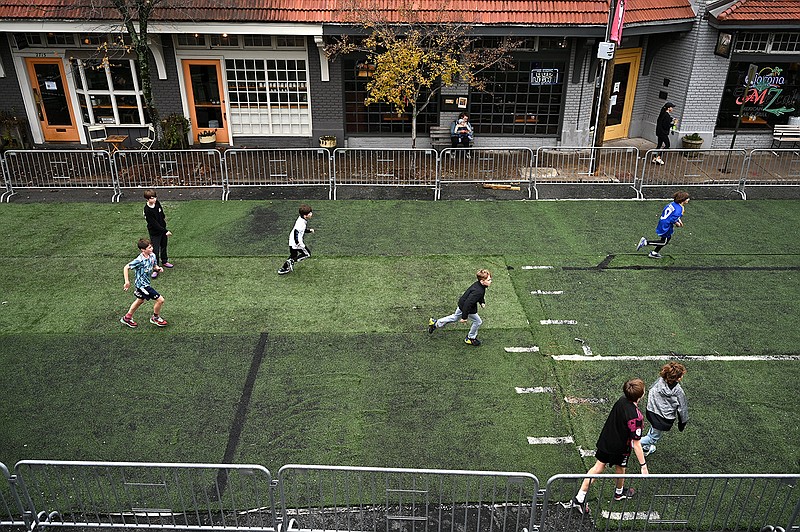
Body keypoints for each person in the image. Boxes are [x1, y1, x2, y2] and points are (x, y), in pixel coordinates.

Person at [570, 378, 649, 515]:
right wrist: (643, 466)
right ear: (641, 395)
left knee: (598, 467)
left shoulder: (621, 401)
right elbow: (636, 443)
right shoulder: (636, 417)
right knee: (620, 468)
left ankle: (579, 497)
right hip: (620, 448)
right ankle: (619, 493)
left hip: (607, 441)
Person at [428, 269, 492, 346]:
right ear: (482, 281)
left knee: (455, 317)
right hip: (466, 308)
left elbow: (480, 296)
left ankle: (435, 323)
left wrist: (482, 302)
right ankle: (470, 338)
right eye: (488, 280)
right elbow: (468, 304)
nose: (490, 281)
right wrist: (464, 317)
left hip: (462, 304)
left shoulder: (479, 285)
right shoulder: (478, 291)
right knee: (478, 321)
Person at [640, 362, 689, 457]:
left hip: (651, 411)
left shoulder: (659, 381)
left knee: (653, 429)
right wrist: (682, 423)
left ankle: (645, 449)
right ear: (677, 378)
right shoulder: (679, 391)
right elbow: (682, 409)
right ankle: (631, 443)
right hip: (663, 418)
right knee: (653, 438)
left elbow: (651, 389)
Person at [120, 238, 167, 328]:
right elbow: (126, 267)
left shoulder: (152, 255)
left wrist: (158, 268)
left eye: (151, 246)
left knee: (140, 300)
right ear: (143, 250)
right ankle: (155, 318)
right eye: (149, 247)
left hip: (146, 283)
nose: (151, 249)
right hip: (142, 286)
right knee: (160, 300)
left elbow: (154, 265)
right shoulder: (139, 260)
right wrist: (127, 281)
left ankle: (127, 318)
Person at [636, 191, 690, 259]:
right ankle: (646, 242)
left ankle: (654, 253)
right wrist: (678, 224)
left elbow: (670, 213)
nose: (688, 200)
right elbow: (673, 219)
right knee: (664, 242)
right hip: (666, 225)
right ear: (682, 200)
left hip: (663, 221)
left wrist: (679, 220)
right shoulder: (680, 209)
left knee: (665, 239)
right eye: (687, 198)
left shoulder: (672, 204)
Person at [278, 204, 315, 275]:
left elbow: (301, 230)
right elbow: (296, 232)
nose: (311, 214)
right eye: (309, 213)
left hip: (291, 241)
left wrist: (309, 230)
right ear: (305, 215)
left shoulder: (301, 219)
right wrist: (298, 242)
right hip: (296, 242)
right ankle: (292, 261)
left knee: (293, 254)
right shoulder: (301, 223)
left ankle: (283, 268)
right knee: (307, 254)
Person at [143, 189, 173, 278]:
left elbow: (161, 213)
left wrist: (163, 220)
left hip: (162, 229)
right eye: (152, 198)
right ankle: (156, 268)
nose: (154, 200)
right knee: (155, 250)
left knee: (164, 245)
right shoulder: (147, 210)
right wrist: (165, 231)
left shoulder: (157, 203)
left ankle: (164, 261)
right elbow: (154, 224)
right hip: (155, 232)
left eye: (155, 197)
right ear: (147, 199)